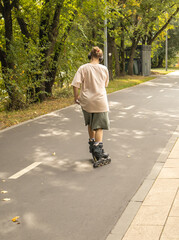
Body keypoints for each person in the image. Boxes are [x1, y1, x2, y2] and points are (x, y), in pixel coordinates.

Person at [71, 46, 111, 167]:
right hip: (100, 101)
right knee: (99, 127)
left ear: (90, 56)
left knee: (90, 123)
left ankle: (92, 143)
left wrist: (76, 97)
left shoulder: (83, 68)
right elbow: (105, 84)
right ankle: (98, 151)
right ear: (101, 58)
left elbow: (75, 84)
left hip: (86, 101)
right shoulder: (104, 69)